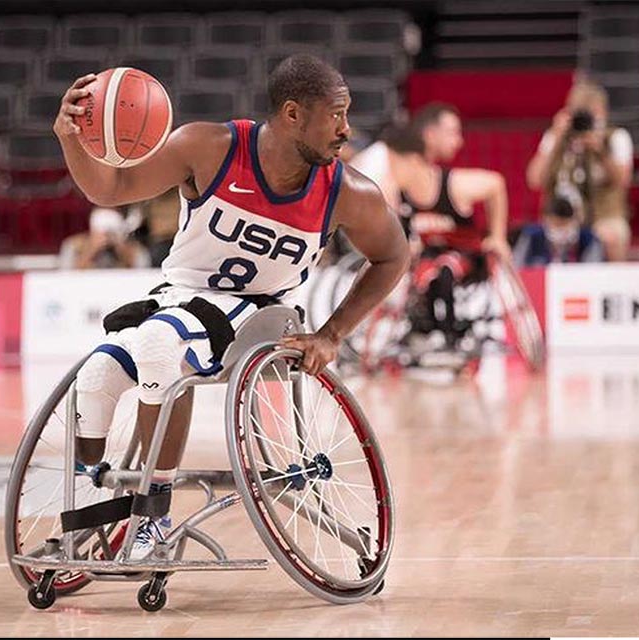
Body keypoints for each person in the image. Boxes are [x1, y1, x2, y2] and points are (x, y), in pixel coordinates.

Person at [53, 55, 408, 560]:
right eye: (336, 115)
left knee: (160, 343)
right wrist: (72, 138)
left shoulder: (347, 193)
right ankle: (93, 499)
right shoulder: (210, 148)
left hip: (263, 313)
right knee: (100, 370)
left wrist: (332, 334)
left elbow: (393, 255)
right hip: (179, 296)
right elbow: (110, 188)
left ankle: (152, 518)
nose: (346, 130)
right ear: (292, 114)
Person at [353, 107, 510, 350]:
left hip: (461, 256)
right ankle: (419, 329)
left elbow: (496, 184)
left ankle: (447, 336)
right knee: (416, 271)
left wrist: (498, 237)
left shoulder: (452, 184)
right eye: (452, 133)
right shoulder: (394, 188)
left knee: (443, 270)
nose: (459, 141)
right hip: (426, 258)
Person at [525, 80, 633, 261]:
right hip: (560, 218)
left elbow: (623, 180)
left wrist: (600, 150)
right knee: (538, 237)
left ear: (603, 113)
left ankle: (613, 286)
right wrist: (556, 138)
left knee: (612, 236)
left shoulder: (615, 137)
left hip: (602, 216)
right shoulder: (556, 137)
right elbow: (534, 180)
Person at [513, 189, 605, 266]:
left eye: (564, 225)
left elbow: (594, 271)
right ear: (546, 221)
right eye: (556, 225)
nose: (560, 230)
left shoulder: (588, 240)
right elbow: (516, 265)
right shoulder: (531, 236)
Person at [59, 206, 150, 269]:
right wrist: (91, 249)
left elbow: (141, 271)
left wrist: (121, 248)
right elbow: (66, 275)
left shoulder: (135, 249)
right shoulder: (73, 245)